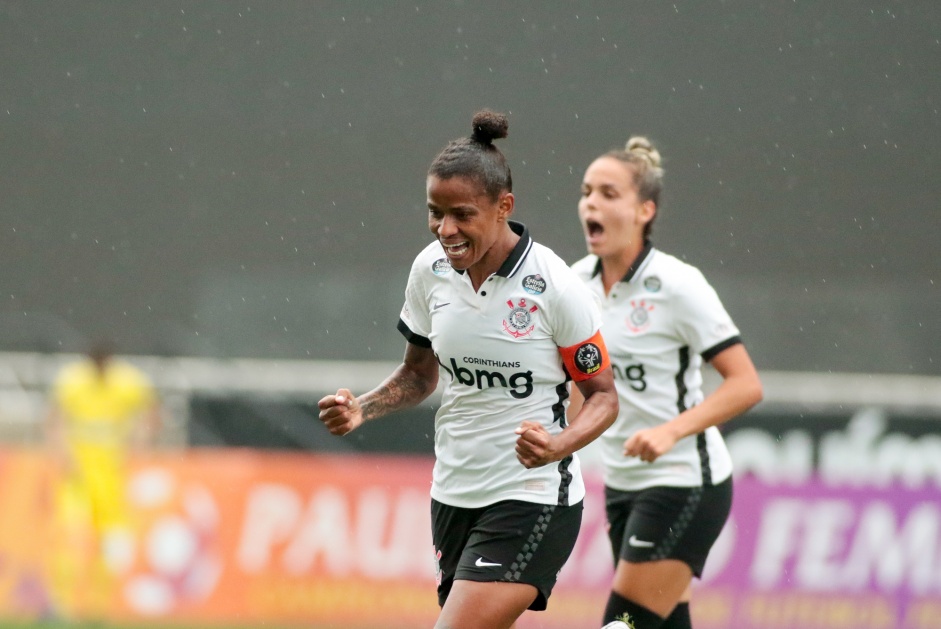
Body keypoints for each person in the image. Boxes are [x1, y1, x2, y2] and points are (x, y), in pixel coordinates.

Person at [318, 110, 619, 629]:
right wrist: (360, 410)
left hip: (533, 496)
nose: (445, 230)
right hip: (454, 493)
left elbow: (604, 397)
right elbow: (419, 375)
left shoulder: (554, 286)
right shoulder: (429, 271)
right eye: (435, 213)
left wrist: (558, 445)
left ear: (504, 207)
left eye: (461, 214)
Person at [567, 137, 763, 629]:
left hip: (684, 483)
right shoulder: (572, 285)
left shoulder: (677, 285)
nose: (592, 202)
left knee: (623, 624)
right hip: (622, 484)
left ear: (644, 210)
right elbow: (577, 387)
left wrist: (669, 431)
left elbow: (745, 384)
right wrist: (554, 445)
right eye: (587, 191)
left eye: (609, 193)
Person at [45, 341, 162, 619]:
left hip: (112, 475)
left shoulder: (128, 382)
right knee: (71, 536)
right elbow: (55, 419)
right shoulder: (73, 381)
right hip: (79, 475)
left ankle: (99, 608)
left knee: (110, 542)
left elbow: (152, 413)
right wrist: (62, 451)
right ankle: (61, 607)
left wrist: (141, 441)